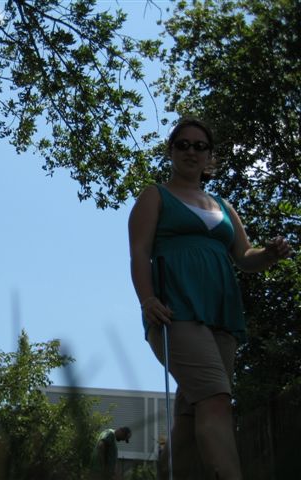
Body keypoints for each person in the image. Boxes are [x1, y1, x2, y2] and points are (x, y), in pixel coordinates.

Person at [128, 117, 291, 480]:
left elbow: (245, 257)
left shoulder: (223, 205)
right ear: (171, 151)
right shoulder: (155, 195)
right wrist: (147, 299)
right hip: (175, 312)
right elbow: (139, 252)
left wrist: (270, 253)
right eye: (183, 144)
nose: (191, 151)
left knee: (192, 415)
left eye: (200, 146)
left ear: (210, 156)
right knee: (216, 399)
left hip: (222, 316)